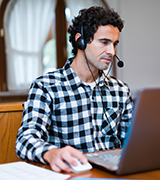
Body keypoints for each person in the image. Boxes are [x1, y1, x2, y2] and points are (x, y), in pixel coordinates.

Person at [15, 6, 133, 173]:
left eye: (114, 44)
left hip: (112, 175)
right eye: (105, 42)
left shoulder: (120, 90)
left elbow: (132, 142)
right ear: (81, 40)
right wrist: (52, 153)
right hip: (71, 173)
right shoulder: (46, 86)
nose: (111, 52)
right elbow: (24, 140)